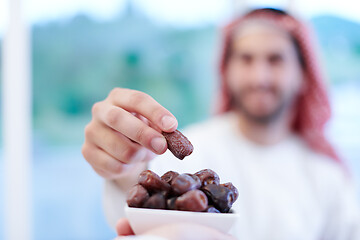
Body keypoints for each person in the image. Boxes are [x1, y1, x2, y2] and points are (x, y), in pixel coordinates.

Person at [82, 8, 360, 240]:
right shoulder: (194, 154)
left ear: (302, 74)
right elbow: (137, 207)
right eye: (246, 59)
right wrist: (125, 165)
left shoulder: (328, 174)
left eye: (275, 60)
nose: (259, 77)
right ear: (226, 71)